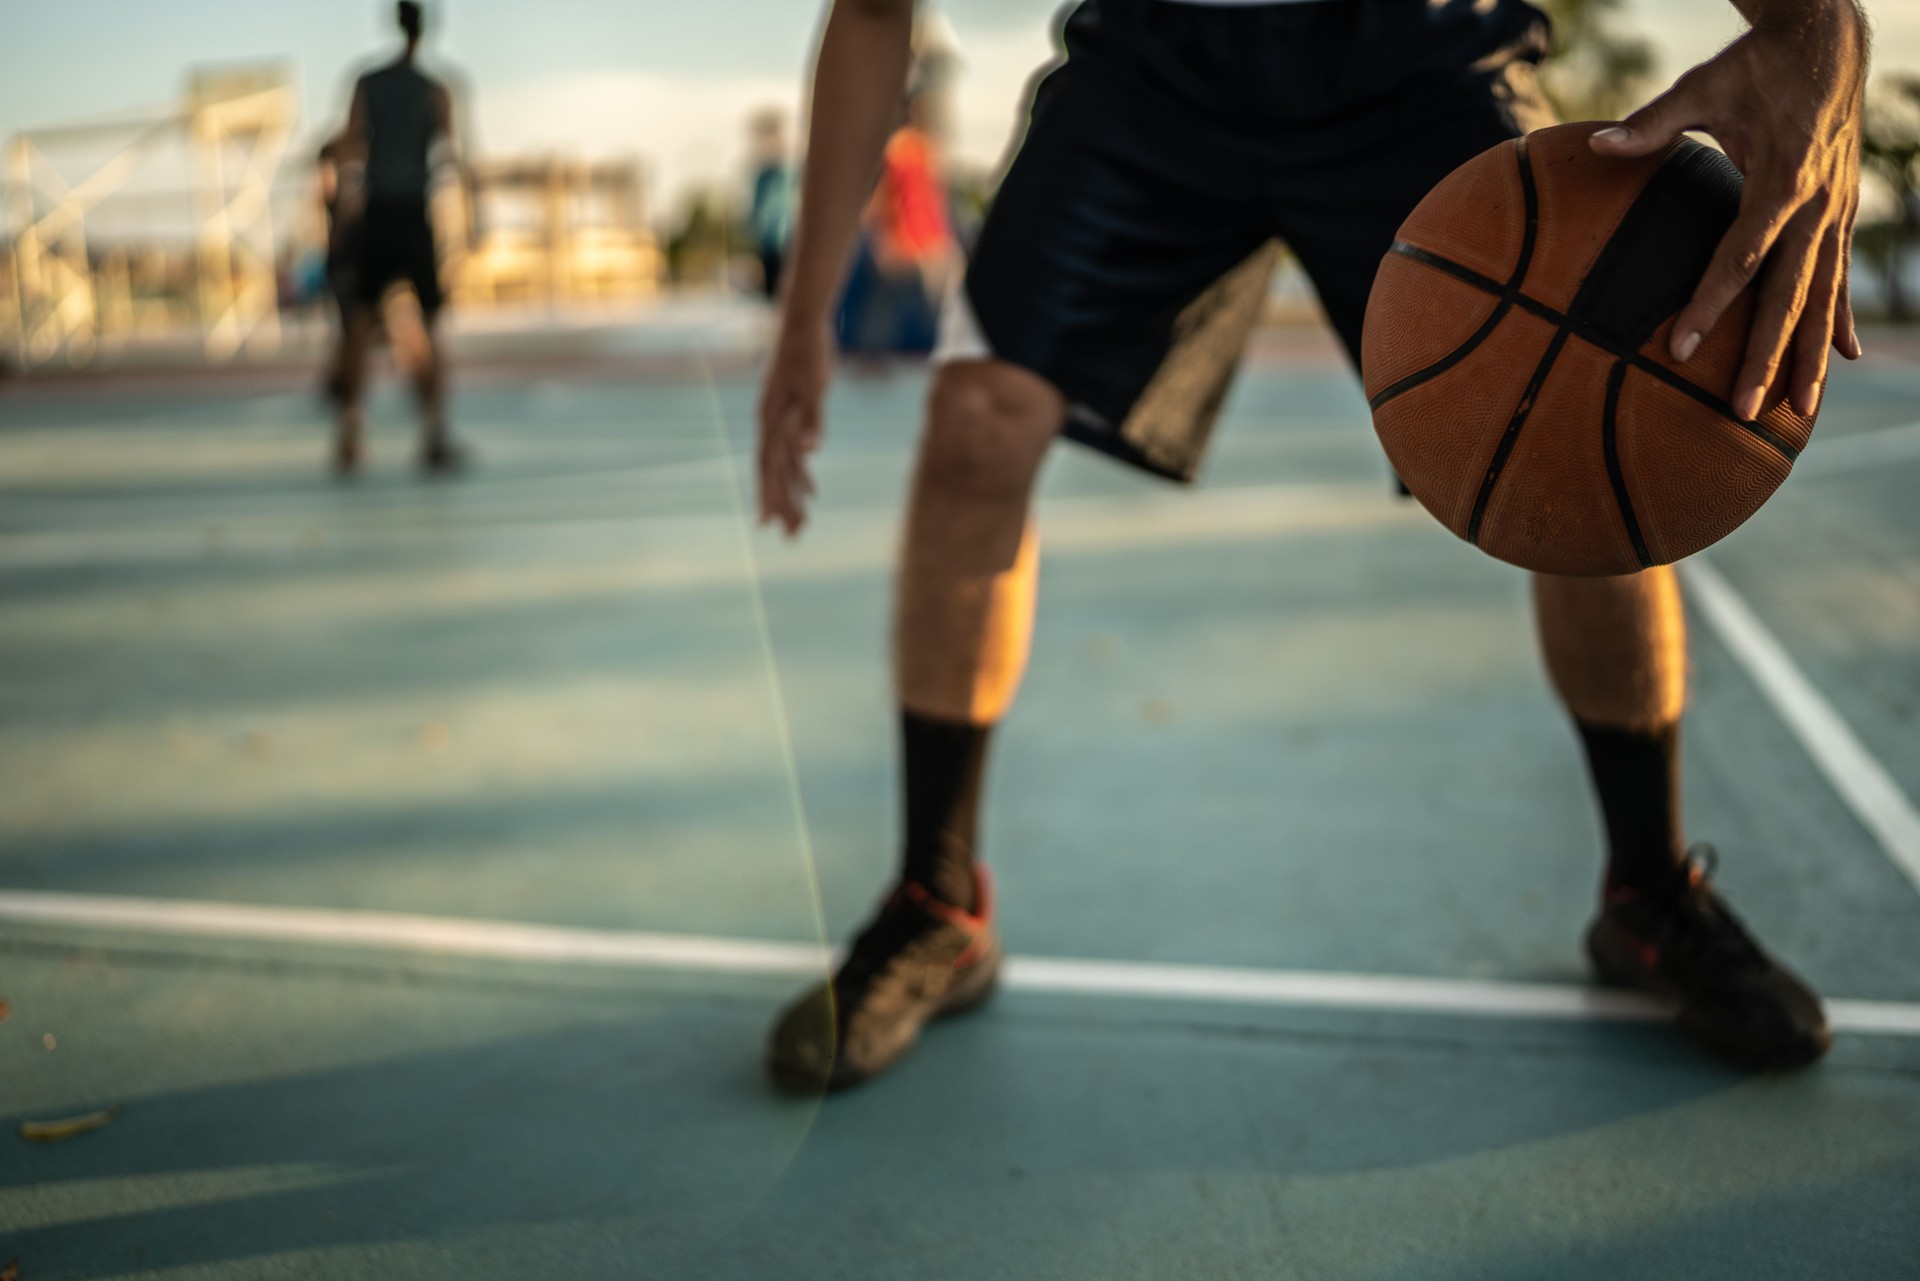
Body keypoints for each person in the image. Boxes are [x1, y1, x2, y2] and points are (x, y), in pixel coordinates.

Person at [756, 0, 1867, 1093]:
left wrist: (1817, 25)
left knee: (1589, 411)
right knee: (976, 419)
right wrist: (806, 313)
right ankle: (938, 902)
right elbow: (870, 12)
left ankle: (1649, 896)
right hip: (1154, 67)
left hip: (1415, 45)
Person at [332, 0, 465, 476]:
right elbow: (450, 159)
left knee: (361, 326)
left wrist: (347, 213)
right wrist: (465, 226)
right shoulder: (436, 90)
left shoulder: (366, 83)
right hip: (413, 212)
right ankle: (434, 433)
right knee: (430, 328)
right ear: (424, 31)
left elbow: (349, 152)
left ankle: (350, 433)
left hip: (377, 212)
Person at [749, 109, 797, 303]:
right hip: (770, 239)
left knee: (785, 284)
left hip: (787, 237)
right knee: (774, 288)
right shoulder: (762, 174)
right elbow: (756, 206)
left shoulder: (787, 170)